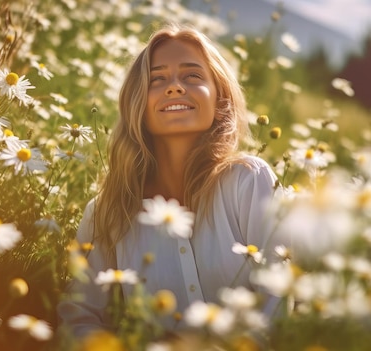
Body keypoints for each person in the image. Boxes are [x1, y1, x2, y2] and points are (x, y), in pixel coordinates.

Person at [57, 22, 278, 339]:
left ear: (219, 100)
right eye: (157, 79)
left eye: (192, 76)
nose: (174, 87)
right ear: (138, 104)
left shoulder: (249, 182)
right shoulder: (106, 213)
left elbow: (277, 304)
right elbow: (79, 320)